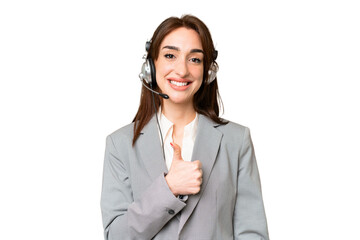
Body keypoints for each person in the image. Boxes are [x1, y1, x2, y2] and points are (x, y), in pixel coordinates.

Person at [101, 15, 269, 240]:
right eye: (170, 55)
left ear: (208, 71)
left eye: (195, 59)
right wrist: (168, 187)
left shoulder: (236, 141)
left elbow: (252, 233)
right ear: (150, 66)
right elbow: (116, 236)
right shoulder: (120, 144)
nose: (182, 70)